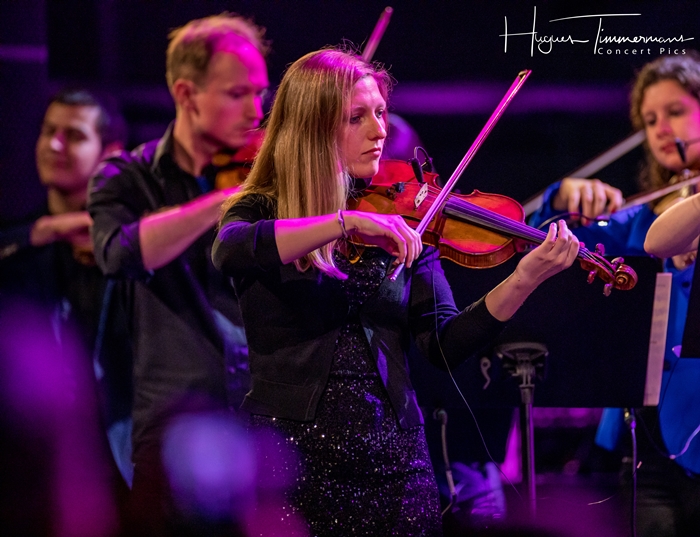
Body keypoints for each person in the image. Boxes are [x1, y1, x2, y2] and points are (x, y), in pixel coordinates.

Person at [212, 47, 579, 536]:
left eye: (381, 112)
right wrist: (344, 221)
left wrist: (523, 279)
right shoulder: (262, 209)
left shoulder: (401, 220)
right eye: (357, 117)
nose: (380, 130)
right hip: (288, 460)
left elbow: (445, 344)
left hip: (397, 462)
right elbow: (230, 250)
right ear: (312, 128)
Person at [88, 14, 269, 536]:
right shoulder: (126, 177)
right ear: (186, 94)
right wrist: (223, 202)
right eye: (237, 94)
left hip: (263, 425)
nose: (256, 112)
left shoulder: (261, 177)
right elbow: (118, 254)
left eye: (260, 93)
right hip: (172, 431)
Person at [529, 52, 700, 537]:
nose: (662, 129)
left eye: (675, 112)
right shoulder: (638, 222)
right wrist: (559, 200)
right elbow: (546, 249)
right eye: (650, 120)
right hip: (642, 441)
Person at [0, 88, 130, 531]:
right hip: (29, 457)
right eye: (48, 131)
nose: (54, 145)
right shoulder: (20, 242)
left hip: (117, 453)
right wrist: (43, 231)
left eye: (73, 135)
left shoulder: (131, 246)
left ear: (110, 153)